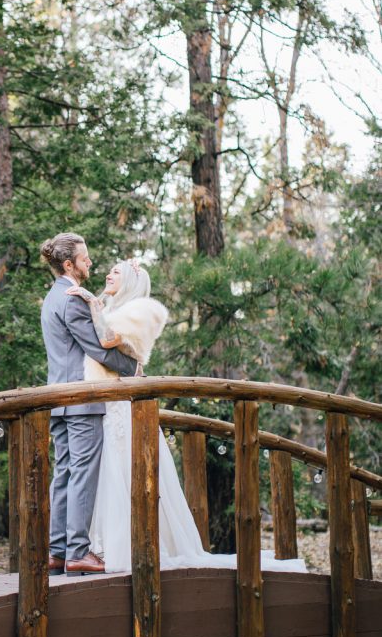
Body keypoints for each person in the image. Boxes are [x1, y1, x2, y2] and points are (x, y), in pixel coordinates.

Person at [68, 259, 306, 575]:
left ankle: (127, 550)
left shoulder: (141, 310)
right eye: (109, 270)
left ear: (130, 281)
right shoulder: (111, 309)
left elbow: (108, 339)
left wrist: (91, 303)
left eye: (116, 271)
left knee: (124, 471)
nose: (108, 274)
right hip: (104, 404)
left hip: (123, 406)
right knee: (107, 476)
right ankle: (102, 547)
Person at [40, 233, 138, 577]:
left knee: (64, 472)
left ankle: (57, 551)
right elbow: (97, 348)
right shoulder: (71, 300)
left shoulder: (52, 298)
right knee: (81, 473)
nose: (90, 263)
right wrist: (134, 368)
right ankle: (78, 552)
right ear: (69, 264)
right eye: (85, 259)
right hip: (81, 399)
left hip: (58, 399)